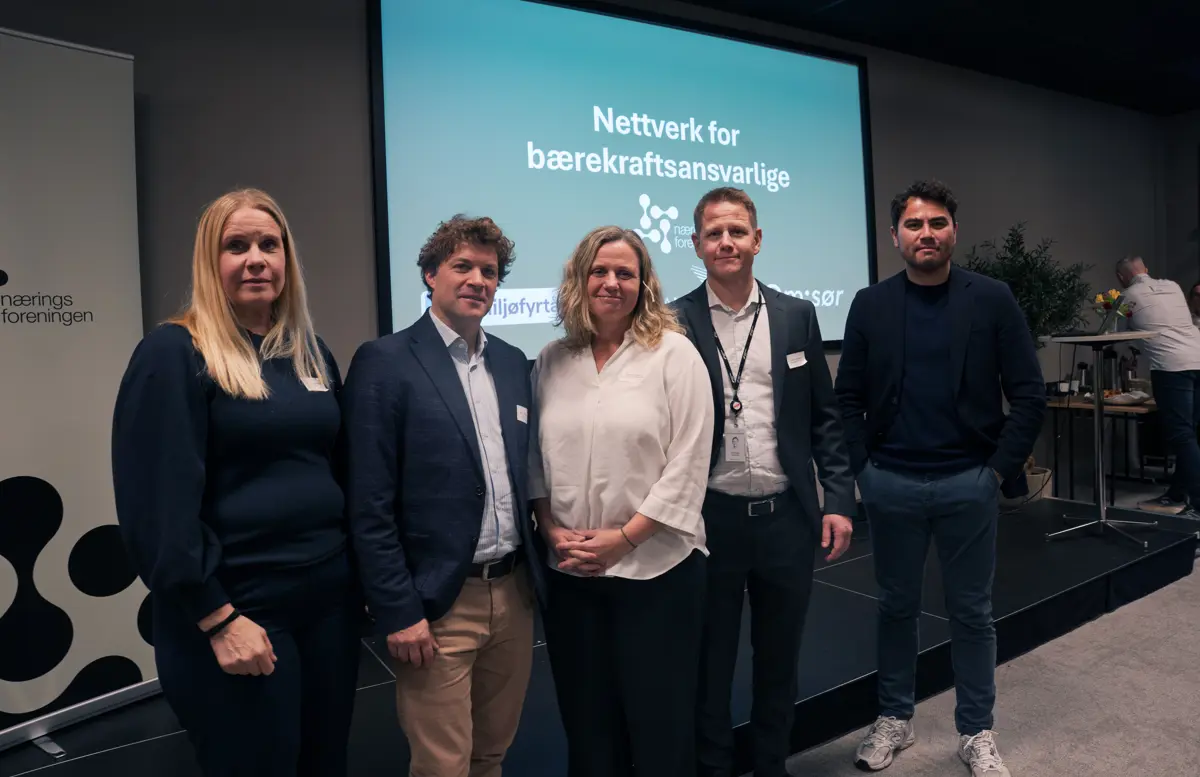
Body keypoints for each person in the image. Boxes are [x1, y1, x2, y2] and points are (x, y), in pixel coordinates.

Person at [111, 188, 361, 777]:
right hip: (239, 610)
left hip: (327, 605)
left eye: (269, 245)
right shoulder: (174, 352)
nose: (256, 259)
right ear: (210, 261)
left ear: (287, 259)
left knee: (324, 765)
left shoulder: (309, 351)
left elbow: (334, 468)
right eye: (237, 246)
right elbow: (155, 509)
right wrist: (217, 617)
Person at [836, 180, 1045, 777]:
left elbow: (1028, 395)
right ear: (895, 235)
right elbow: (847, 396)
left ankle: (976, 731)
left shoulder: (992, 299)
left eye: (936, 223)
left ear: (953, 229)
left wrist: (994, 473)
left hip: (966, 483)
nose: (925, 233)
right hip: (890, 483)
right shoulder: (870, 304)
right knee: (896, 607)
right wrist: (863, 472)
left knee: (972, 612)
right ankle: (894, 720)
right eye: (913, 225)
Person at [340, 214, 544, 777]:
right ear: (430, 274)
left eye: (490, 271)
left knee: (491, 755)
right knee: (442, 765)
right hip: (438, 604)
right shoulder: (384, 362)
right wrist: (397, 609)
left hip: (513, 593)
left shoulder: (510, 362)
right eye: (463, 266)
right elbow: (368, 502)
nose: (479, 279)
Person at [671, 187, 857, 777]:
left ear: (757, 240)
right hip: (709, 521)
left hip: (786, 520)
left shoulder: (797, 315)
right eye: (713, 233)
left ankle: (771, 764)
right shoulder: (673, 321)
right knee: (710, 663)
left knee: (779, 661)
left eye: (737, 231)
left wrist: (839, 501)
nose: (726, 242)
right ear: (697, 245)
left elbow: (824, 418)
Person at [529, 226, 713, 777]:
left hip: (657, 572)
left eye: (625, 273)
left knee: (659, 728)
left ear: (644, 284)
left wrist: (625, 538)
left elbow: (689, 461)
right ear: (579, 280)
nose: (612, 283)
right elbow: (533, 459)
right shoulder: (552, 360)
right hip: (572, 573)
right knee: (588, 727)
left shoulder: (673, 355)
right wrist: (548, 527)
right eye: (600, 272)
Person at [1116, 257, 1200, 520]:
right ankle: (1176, 493)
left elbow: (1117, 333)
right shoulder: (1173, 286)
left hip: (1171, 367)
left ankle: (1197, 507)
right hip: (1198, 358)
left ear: (1121, 277)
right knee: (1193, 434)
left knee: (1183, 437)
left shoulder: (1126, 296)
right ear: (1147, 270)